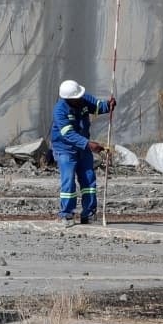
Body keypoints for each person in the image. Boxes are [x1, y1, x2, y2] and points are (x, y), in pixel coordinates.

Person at [49, 79, 114, 227]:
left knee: (89, 179)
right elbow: (68, 134)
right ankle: (66, 214)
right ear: (69, 99)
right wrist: (88, 144)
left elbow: (98, 106)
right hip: (65, 149)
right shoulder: (60, 110)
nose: (80, 98)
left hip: (83, 148)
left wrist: (108, 105)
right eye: (77, 98)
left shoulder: (83, 99)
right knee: (68, 181)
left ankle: (89, 213)